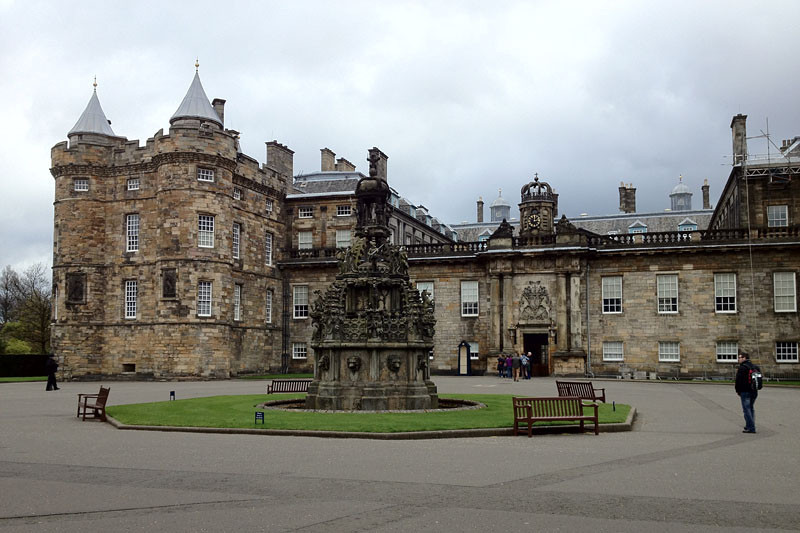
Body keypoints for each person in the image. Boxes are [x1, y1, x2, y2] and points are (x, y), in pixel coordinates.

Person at [735, 351, 759, 433]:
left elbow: (738, 381)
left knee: (746, 409)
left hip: (745, 391)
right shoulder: (755, 366)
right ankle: (749, 425)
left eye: (740, 357)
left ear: (744, 358)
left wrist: (737, 390)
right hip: (754, 391)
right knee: (751, 408)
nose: (738, 359)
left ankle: (751, 427)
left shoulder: (742, 368)